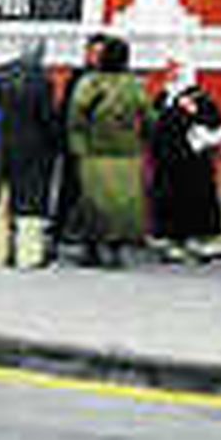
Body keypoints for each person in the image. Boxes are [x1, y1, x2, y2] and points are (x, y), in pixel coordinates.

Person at [66, 36, 156, 267]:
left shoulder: (89, 83)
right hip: (126, 152)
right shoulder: (135, 85)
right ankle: (115, 250)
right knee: (122, 203)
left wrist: (78, 146)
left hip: (94, 152)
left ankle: (91, 249)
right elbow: (148, 118)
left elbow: (75, 117)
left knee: (92, 201)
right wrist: (146, 141)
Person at [0, 40, 62, 270]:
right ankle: (28, 256)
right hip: (33, 149)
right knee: (30, 205)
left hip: (3, 144)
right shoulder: (42, 81)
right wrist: (57, 141)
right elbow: (47, 118)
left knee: (1, 202)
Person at [148, 62, 221, 263]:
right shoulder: (163, 98)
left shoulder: (200, 99)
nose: (170, 75)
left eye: (175, 71)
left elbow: (219, 129)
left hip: (193, 163)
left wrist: (200, 138)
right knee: (168, 198)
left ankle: (198, 240)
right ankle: (172, 240)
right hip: (166, 161)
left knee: (196, 198)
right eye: (169, 71)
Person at [52, 31, 107, 254]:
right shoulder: (77, 76)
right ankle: (59, 233)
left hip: (100, 147)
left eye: (100, 53)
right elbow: (65, 109)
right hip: (75, 144)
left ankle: (93, 238)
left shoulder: (112, 79)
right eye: (92, 52)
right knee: (69, 189)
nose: (95, 56)